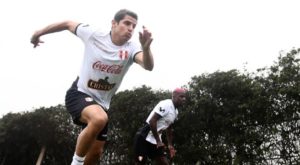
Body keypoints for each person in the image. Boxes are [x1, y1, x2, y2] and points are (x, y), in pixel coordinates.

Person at [31, 9, 154, 165]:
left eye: (133, 26)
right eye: (127, 23)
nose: (130, 28)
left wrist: (146, 48)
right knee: (99, 118)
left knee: (95, 154)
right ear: (114, 23)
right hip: (79, 94)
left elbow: (148, 65)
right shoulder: (94, 35)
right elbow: (67, 23)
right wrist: (38, 33)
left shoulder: (132, 48)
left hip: (102, 105)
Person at [133, 88, 187, 165]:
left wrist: (170, 145)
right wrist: (158, 141)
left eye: (184, 97)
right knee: (140, 163)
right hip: (144, 137)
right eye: (181, 96)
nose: (184, 99)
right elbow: (152, 121)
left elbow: (169, 128)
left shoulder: (176, 112)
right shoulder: (166, 104)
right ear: (174, 96)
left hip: (156, 140)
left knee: (164, 163)